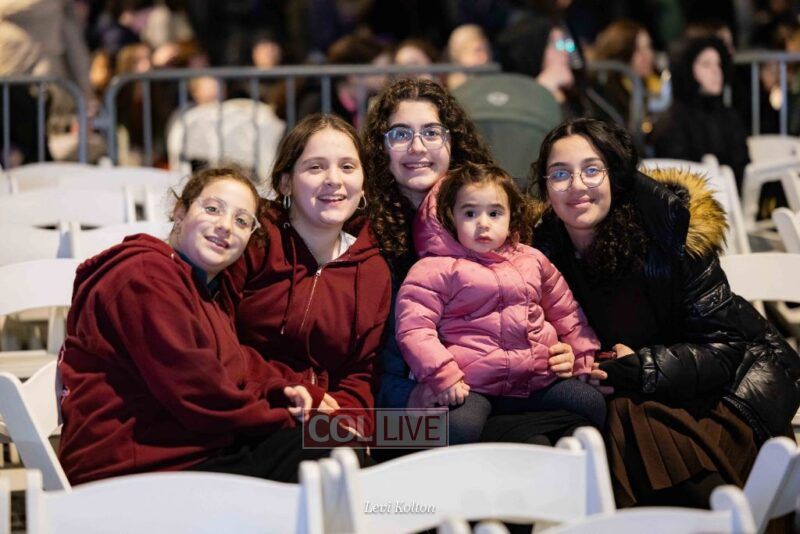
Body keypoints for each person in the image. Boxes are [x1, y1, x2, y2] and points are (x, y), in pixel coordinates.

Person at [530, 118, 800, 508]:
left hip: (730, 397)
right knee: (603, 422)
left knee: (627, 421)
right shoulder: (541, 254)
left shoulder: (666, 235)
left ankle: (723, 519)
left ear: (616, 176)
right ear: (545, 187)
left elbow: (724, 348)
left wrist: (642, 367)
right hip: (643, 403)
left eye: (592, 170)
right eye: (560, 174)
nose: (577, 185)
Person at [365, 77, 591, 447]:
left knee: (574, 421)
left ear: (452, 141)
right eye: (400, 134)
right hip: (396, 411)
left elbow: (535, 304)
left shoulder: (494, 212)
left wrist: (559, 350)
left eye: (432, 132)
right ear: (381, 147)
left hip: (503, 390)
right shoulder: (367, 234)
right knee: (495, 436)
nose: (417, 146)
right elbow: (369, 363)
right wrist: (408, 395)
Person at [59, 166, 321, 485]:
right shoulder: (145, 278)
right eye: (212, 209)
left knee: (338, 438)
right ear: (180, 211)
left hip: (181, 451)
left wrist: (281, 390)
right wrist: (285, 418)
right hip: (128, 472)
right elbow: (200, 395)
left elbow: (232, 365)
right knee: (326, 449)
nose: (225, 226)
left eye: (242, 221)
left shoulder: (200, 287)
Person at [395, 162, 606, 444]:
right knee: (457, 429)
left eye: (495, 213)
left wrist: (582, 355)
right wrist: (443, 375)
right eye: (470, 213)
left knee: (591, 403)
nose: (483, 223)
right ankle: (514, 436)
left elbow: (565, 309)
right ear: (452, 217)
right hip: (472, 385)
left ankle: (526, 438)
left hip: (535, 378)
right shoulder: (434, 269)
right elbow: (414, 330)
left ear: (511, 217)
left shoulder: (532, 259)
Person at [230, 114, 391, 440]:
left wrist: (349, 424)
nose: (334, 180)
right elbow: (217, 337)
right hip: (242, 406)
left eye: (347, 167)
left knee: (433, 432)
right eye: (316, 167)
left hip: (319, 423)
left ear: (363, 184)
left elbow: (361, 373)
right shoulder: (254, 238)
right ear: (285, 183)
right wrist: (288, 387)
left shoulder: (373, 270)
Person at [651, 36, 749, 189]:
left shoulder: (730, 117)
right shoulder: (674, 121)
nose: (716, 71)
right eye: (706, 64)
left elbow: (743, 169)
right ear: (688, 68)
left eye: (719, 64)